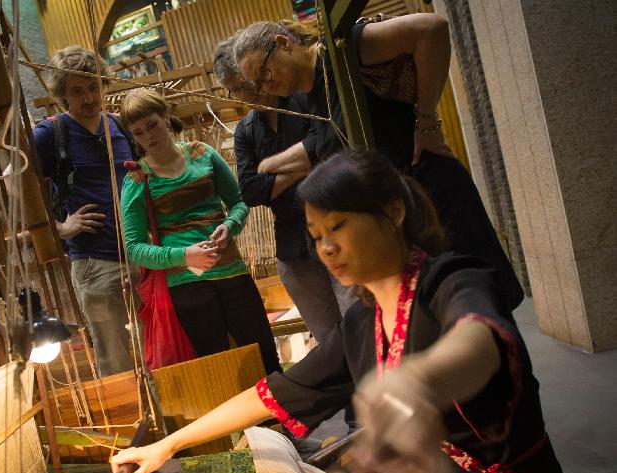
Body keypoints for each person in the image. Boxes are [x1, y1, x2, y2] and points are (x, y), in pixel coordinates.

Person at [112, 150, 572, 473]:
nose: (326, 248)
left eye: (338, 226)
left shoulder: (452, 280)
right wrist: (168, 445)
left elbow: (478, 341)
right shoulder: (360, 324)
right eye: (315, 235)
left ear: (392, 212)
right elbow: (272, 394)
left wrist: (417, 380)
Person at [233, 17, 525, 311]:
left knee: (481, 309)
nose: (265, 84)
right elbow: (318, 147)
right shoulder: (311, 99)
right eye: (258, 82)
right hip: (403, 221)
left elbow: (431, 29)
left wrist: (426, 123)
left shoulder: (342, 51)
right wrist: (267, 166)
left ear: (284, 43)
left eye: (264, 71)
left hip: (433, 194)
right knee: (439, 318)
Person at [119, 88, 281, 375]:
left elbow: (239, 203)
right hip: (185, 284)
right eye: (138, 132)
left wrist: (230, 227)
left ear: (165, 117)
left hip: (233, 271)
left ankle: (284, 419)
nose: (148, 137)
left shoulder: (202, 154)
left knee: (266, 358)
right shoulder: (137, 178)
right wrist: (184, 255)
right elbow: (133, 247)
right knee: (218, 372)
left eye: (152, 125)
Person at [213, 36, 356, 342]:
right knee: (329, 340)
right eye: (235, 90)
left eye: (246, 82)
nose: (246, 93)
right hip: (292, 245)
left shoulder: (302, 99)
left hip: (337, 226)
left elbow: (327, 145)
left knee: (361, 324)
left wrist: (276, 168)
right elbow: (250, 191)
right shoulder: (246, 130)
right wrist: (305, 164)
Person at [32, 46, 136, 376]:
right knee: (114, 359)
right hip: (95, 261)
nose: (90, 98)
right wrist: (58, 229)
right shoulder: (51, 134)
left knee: (159, 348)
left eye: (94, 87)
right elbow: (9, 184)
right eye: (78, 91)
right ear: (63, 94)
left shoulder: (122, 128)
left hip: (143, 254)